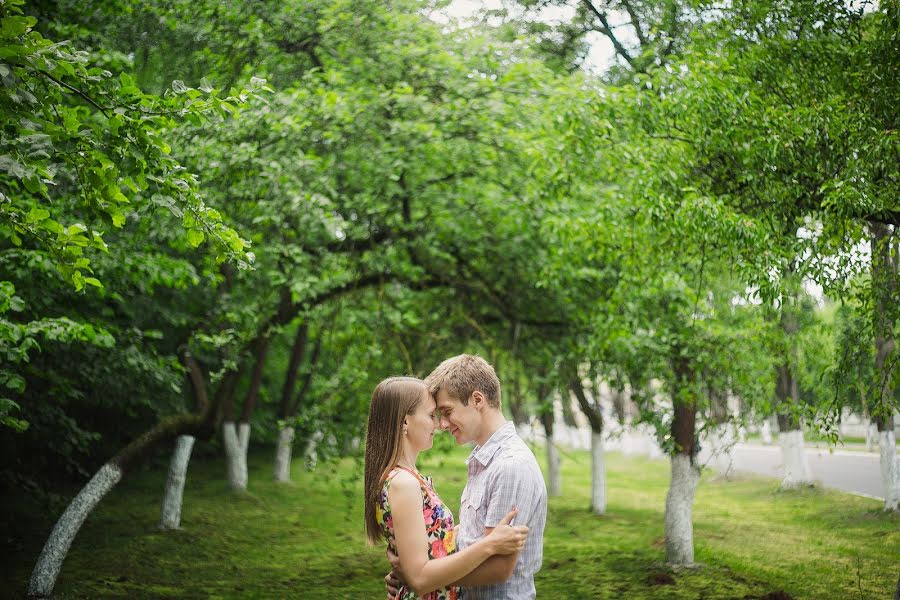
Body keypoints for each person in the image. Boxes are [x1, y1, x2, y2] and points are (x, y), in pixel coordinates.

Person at [387, 355, 548, 599]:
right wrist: (414, 562)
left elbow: (498, 567)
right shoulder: (485, 460)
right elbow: (473, 538)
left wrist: (418, 576)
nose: (442, 424)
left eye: (447, 411)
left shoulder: (510, 466)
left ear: (477, 400)